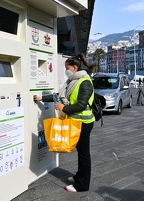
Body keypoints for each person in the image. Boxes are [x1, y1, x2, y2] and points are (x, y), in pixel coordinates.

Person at [33, 53, 95, 193]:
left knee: (84, 154)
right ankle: (79, 176)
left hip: (84, 123)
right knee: (80, 152)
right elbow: (58, 96)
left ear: (74, 67)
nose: (65, 70)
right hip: (75, 121)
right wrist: (41, 98)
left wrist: (64, 108)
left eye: (67, 67)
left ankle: (82, 185)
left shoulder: (84, 81)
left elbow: (81, 105)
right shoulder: (72, 81)